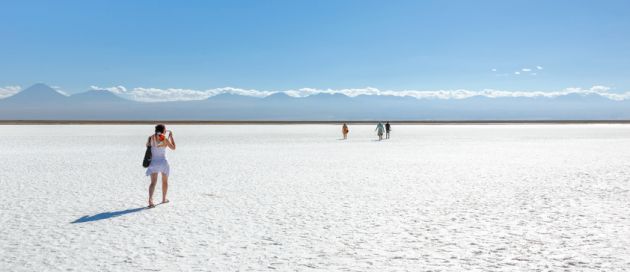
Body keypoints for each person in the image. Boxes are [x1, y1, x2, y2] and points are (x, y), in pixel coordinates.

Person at [145, 124, 176, 208]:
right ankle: (164, 199)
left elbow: (148, 147)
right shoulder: (164, 138)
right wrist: (171, 137)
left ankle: (150, 200)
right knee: (164, 181)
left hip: (153, 162)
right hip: (163, 162)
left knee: (153, 183)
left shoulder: (150, 138)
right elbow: (173, 148)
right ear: (163, 130)